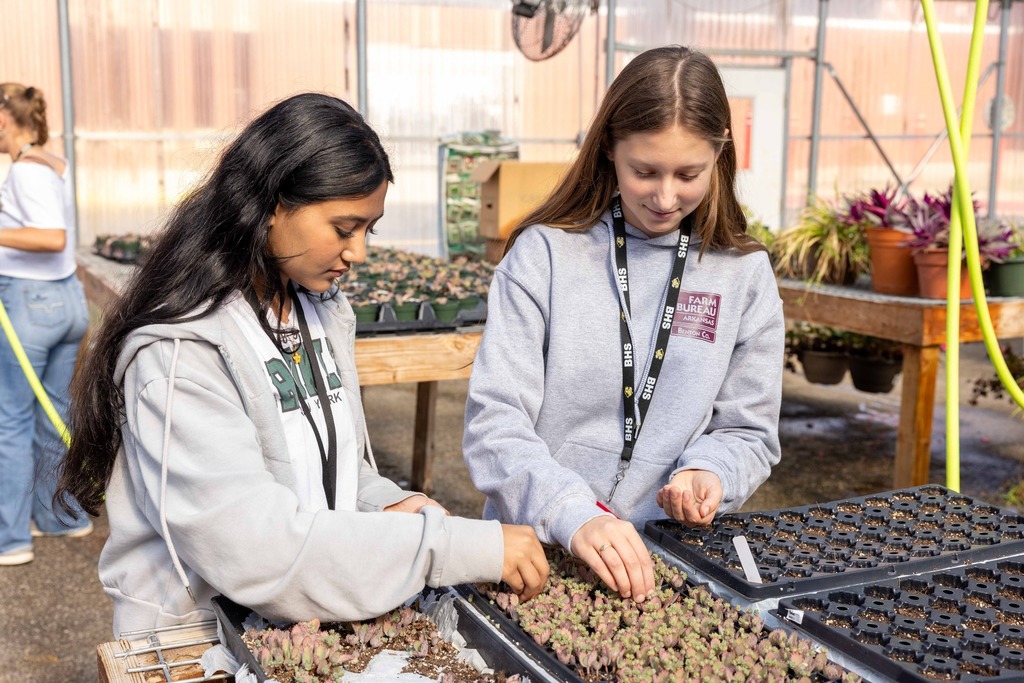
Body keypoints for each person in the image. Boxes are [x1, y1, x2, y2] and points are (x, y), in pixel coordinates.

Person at [54, 93, 548, 636]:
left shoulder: (316, 313)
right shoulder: (180, 356)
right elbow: (257, 549)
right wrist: (448, 547)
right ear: (269, 205)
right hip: (196, 640)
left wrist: (395, 504)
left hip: (292, 627)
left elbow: (333, 471)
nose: (358, 252)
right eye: (343, 228)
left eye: (369, 229)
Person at [462, 46, 783, 604]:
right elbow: (496, 424)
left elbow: (748, 429)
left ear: (721, 151)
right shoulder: (545, 256)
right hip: (537, 553)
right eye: (644, 171)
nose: (664, 197)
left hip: (665, 562)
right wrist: (573, 513)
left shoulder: (743, 274)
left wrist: (712, 472)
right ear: (609, 148)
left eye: (689, 174)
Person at [0, 83, 93, 567]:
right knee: (53, 415)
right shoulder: (52, 163)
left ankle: (9, 540)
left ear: (3, 120)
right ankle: (60, 517)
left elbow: (52, 237)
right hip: (67, 302)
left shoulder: (24, 172)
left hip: (30, 305)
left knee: (9, 421)